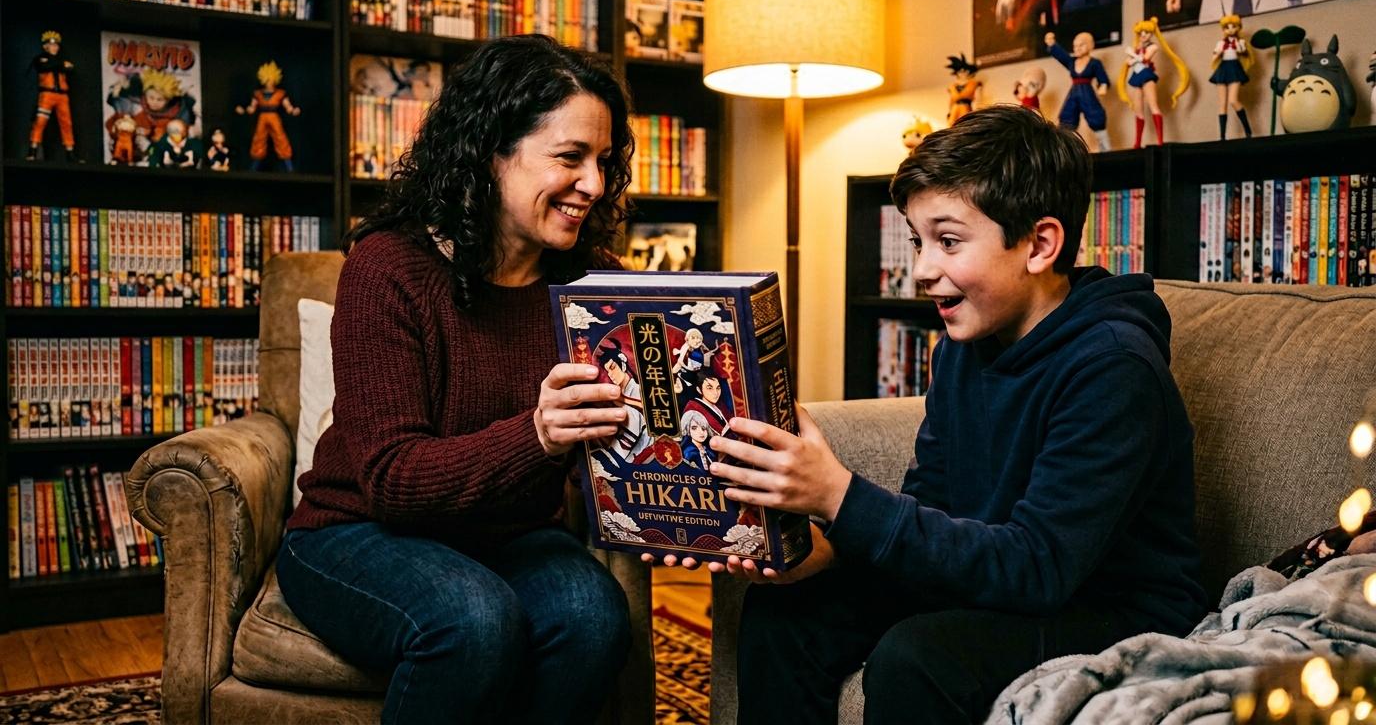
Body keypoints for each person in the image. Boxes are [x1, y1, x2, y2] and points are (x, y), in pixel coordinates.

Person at [659, 105, 1208, 724]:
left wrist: (838, 497)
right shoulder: (962, 348)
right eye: (919, 241)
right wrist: (826, 547)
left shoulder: (1113, 366)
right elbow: (934, 502)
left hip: (1112, 608)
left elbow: (1039, 568)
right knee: (787, 614)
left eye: (948, 241)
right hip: (1005, 578)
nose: (922, 269)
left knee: (917, 657)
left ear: (1040, 244)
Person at [276, 35, 638, 724]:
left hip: (511, 533)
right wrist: (537, 434)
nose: (593, 183)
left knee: (594, 617)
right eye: (570, 157)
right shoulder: (388, 268)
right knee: (474, 620)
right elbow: (392, 480)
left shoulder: (600, 285)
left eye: (602, 160)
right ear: (492, 151)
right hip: (355, 532)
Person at [1116, 17, 1190, 148]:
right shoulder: (1137, 47)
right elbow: (1128, 63)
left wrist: (1132, 55)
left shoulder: (1153, 46)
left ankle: (1160, 140)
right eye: (1141, 33)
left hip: (1147, 75)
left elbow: (1145, 59)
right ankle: (1137, 142)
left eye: (1147, 32)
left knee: (1153, 106)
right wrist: (1133, 56)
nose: (1144, 35)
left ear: (1152, 33)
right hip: (1137, 75)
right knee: (1138, 109)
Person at [1045, 30, 1111, 151]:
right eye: (1075, 46)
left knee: (1096, 116)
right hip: (1074, 93)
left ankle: (1104, 147)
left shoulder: (1094, 63)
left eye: (1081, 45)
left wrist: (1103, 86)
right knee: (1067, 118)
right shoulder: (1072, 62)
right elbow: (1062, 56)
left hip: (1087, 92)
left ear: (1090, 45)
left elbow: (1103, 78)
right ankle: (1064, 149)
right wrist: (1052, 44)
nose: (1077, 48)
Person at [27, 31, 78, 162]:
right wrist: (60, 65)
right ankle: (32, 151)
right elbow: (43, 67)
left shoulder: (60, 61)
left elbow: (70, 69)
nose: (54, 48)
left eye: (56, 46)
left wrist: (57, 65)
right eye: (51, 45)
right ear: (45, 47)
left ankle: (70, 153)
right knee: (40, 122)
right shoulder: (40, 59)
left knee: (66, 123)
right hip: (47, 95)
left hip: (62, 96)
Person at [1209, 14, 1254, 139]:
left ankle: (1247, 129)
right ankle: (1222, 135)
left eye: (1233, 26)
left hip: (1234, 68)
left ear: (1238, 27)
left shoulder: (1240, 42)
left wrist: (1239, 47)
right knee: (1222, 103)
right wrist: (1218, 53)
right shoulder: (1220, 43)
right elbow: (1213, 58)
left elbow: (1243, 53)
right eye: (1226, 27)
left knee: (1233, 100)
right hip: (1223, 69)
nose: (1230, 29)